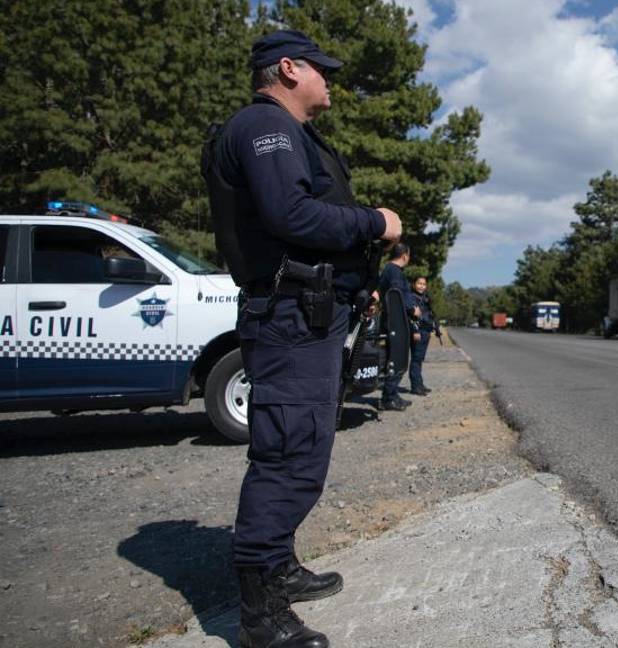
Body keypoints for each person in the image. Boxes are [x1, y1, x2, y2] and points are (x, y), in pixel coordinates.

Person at [201, 29, 402, 648]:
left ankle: (279, 566)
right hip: (290, 314)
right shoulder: (266, 128)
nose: (330, 79)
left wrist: (355, 278)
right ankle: (261, 616)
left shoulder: (287, 132)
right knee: (289, 453)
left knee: (303, 445)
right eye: (322, 69)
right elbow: (292, 215)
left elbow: (297, 220)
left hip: (306, 311)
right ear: (288, 69)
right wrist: (376, 222)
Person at [377, 243, 418, 411]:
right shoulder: (394, 271)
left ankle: (391, 394)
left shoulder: (391, 270)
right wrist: (412, 308)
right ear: (405, 255)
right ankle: (388, 398)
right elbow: (397, 294)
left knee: (395, 358)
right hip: (396, 322)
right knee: (396, 357)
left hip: (396, 321)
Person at [408, 276, 440, 396]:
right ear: (414, 284)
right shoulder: (412, 298)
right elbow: (412, 317)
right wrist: (415, 331)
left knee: (419, 359)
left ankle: (419, 384)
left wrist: (435, 327)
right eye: (419, 283)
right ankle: (415, 386)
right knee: (416, 359)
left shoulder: (425, 298)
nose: (421, 286)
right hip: (419, 331)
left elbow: (429, 314)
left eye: (424, 284)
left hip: (426, 331)